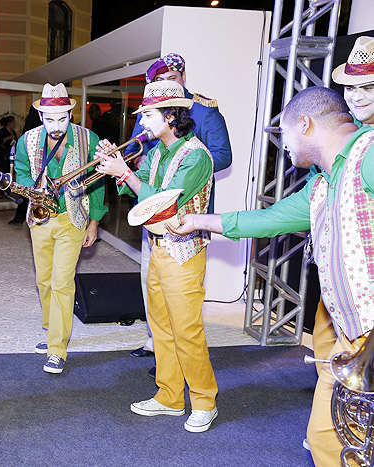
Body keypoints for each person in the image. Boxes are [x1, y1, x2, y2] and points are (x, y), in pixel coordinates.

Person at [166, 85, 372, 465]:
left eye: (285, 135)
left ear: (305, 124)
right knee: (327, 438)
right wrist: (194, 220)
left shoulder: (369, 155)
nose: (285, 147)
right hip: (351, 332)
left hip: (366, 329)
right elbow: (266, 219)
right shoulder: (323, 180)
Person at [96, 80, 218, 433]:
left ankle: (204, 401)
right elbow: (134, 191)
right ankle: (168, 396)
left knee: (187, 332)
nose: (142, 123)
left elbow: (162, 203)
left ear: (170, 116)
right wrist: (115, 169)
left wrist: (126, 172)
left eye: (147, 115)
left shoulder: (195, 156)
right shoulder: (156, 153)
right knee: (161, 328)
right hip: (157, 250)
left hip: (184, 254)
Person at [127, 53, 233, 363]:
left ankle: (174, 349)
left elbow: (222, 155)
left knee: (180, 290)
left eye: (170, 78)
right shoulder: (149, 110)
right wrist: (135, 161)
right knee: (153, 280)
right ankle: (155, 341)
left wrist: (184, 159)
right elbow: (138, 145)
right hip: (151, 204)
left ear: (182, 76)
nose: (165, 85)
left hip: (184, 204)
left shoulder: (204, 109)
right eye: (158, 81)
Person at [14, 83, 108, 374]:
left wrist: (94, 222)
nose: (56, 125)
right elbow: (19, 173)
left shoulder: (88, 138)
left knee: (61, 282)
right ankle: (50, 327)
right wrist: (33, 191)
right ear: (41, 116)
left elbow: (98, 182)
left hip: (73, 218)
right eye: (50, 119)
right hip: (40, 219)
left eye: (62, 118)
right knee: (44, 280)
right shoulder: (26, 141)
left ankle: (58, 348)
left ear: (71, 113)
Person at [8, 105, 41, 226]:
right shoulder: (36, 128)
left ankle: (20, 217)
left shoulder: (29, 128)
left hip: (32, 164)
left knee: (28, 190)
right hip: (36, 163)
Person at [0, 115, 17, 198]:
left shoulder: (13, 132)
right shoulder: (1, 131)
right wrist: (9, 138)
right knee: (2, 173)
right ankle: (2, 193)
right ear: (9, 123)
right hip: (3, 155)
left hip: (10, 156)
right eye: (13, 123)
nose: (14, 124)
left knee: (10, 174)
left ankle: (8, 192)